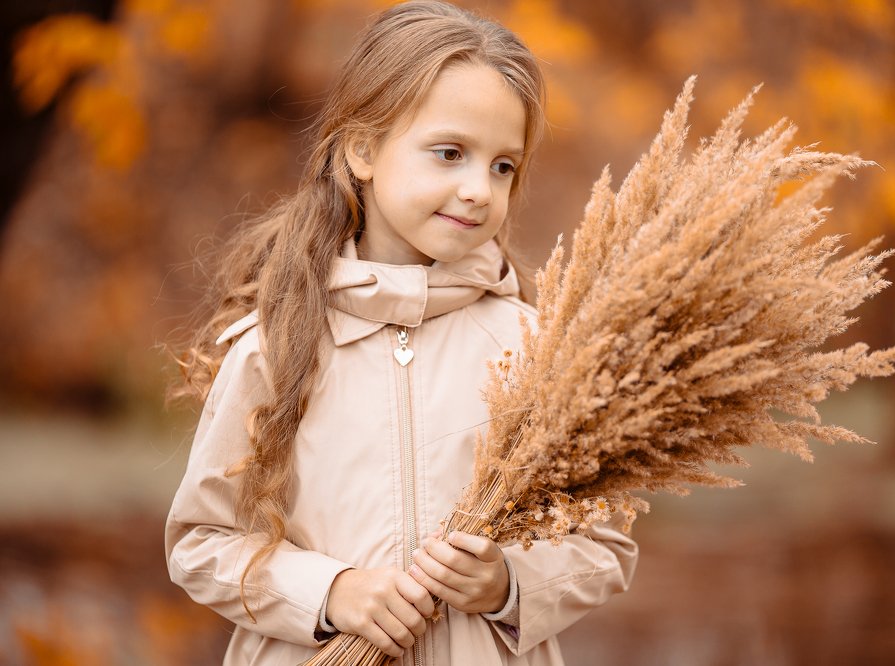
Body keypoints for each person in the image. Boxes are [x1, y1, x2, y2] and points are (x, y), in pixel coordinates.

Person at [165, 2, 638, 664]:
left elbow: (604, 543)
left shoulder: (537, 348)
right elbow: (203, 541)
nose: (479, 188)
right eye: (450, 153)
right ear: (363, 149)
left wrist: (509, 583)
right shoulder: (278, 340)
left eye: (503, 166)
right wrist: (331, 593)